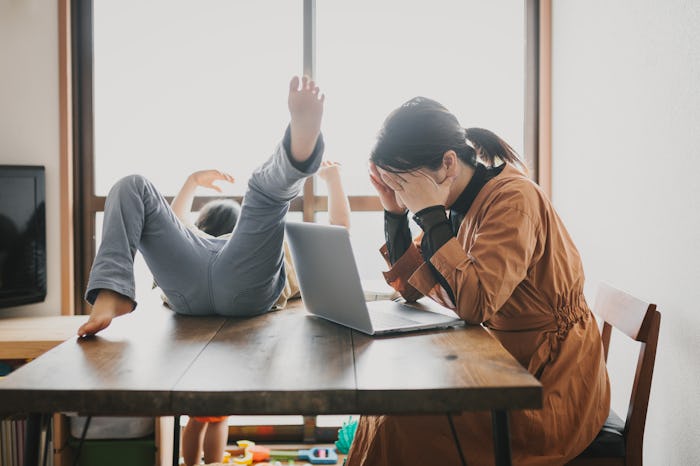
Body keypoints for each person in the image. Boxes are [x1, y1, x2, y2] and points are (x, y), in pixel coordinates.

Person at [346, 97, 610, 466]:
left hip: (548, 384)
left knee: (398, 421)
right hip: (501, 360)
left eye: (404, 183)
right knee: (383, 405)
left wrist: (430, 213)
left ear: (447, 164)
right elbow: (413, 287)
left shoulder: (513, 200)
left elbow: (475, 305)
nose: (405, 195)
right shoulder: (456, 202)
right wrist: (394, 213)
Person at [77, 75, 325, 338]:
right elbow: (174, 223)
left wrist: (192, 182)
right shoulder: (205, 238)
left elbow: (176, 219)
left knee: (261, 192)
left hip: (194, 291)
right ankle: (113, 291)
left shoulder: (245, 243)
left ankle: (297, 151)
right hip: (221, 280)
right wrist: (193, 181)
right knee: (135, 186)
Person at [171, 162, 350, 466]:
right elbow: (338, 231)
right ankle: (213, 463)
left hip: (198, 351)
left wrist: (190, 182)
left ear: (204, 230)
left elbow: (176, 225)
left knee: (199, 416)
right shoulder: (259, 259)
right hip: (239, 348)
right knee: (215, 417)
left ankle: (193, 464)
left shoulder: (195, 258)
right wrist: (333, 180)